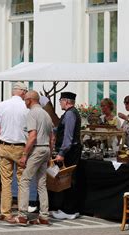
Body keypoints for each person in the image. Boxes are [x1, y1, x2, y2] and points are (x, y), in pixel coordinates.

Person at [8, 91, 53, 225]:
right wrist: (50, 153)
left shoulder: (32, 113)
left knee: (24, 181)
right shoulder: (46, 114)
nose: (24, 102)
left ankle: (22, 215)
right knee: (41, 183)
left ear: (29, 100)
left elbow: (32, 136)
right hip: (46, 148)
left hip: (37, 148)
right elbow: (52, 137)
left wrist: (24, 155)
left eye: (25, 100)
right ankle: (44, 216)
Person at [0, 82, 28, 221]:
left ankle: (6, 211)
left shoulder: (2, 105)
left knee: (5, 180)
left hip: (4, 145)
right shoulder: (26, 106)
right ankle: (21, 211)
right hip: (20, 146)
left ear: (14, 91)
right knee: (21, 181)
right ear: (23, 92)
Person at [51, 91, 82, 220]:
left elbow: (68, 136)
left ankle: (69, 211)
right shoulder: (71, 113)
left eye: (61, 100)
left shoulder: (70, 114)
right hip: (72, 150)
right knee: (69, 179)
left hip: (70, 151)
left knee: (68, 180)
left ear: (67, 101)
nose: (60, 103)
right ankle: (69, 209)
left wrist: (62, 153)